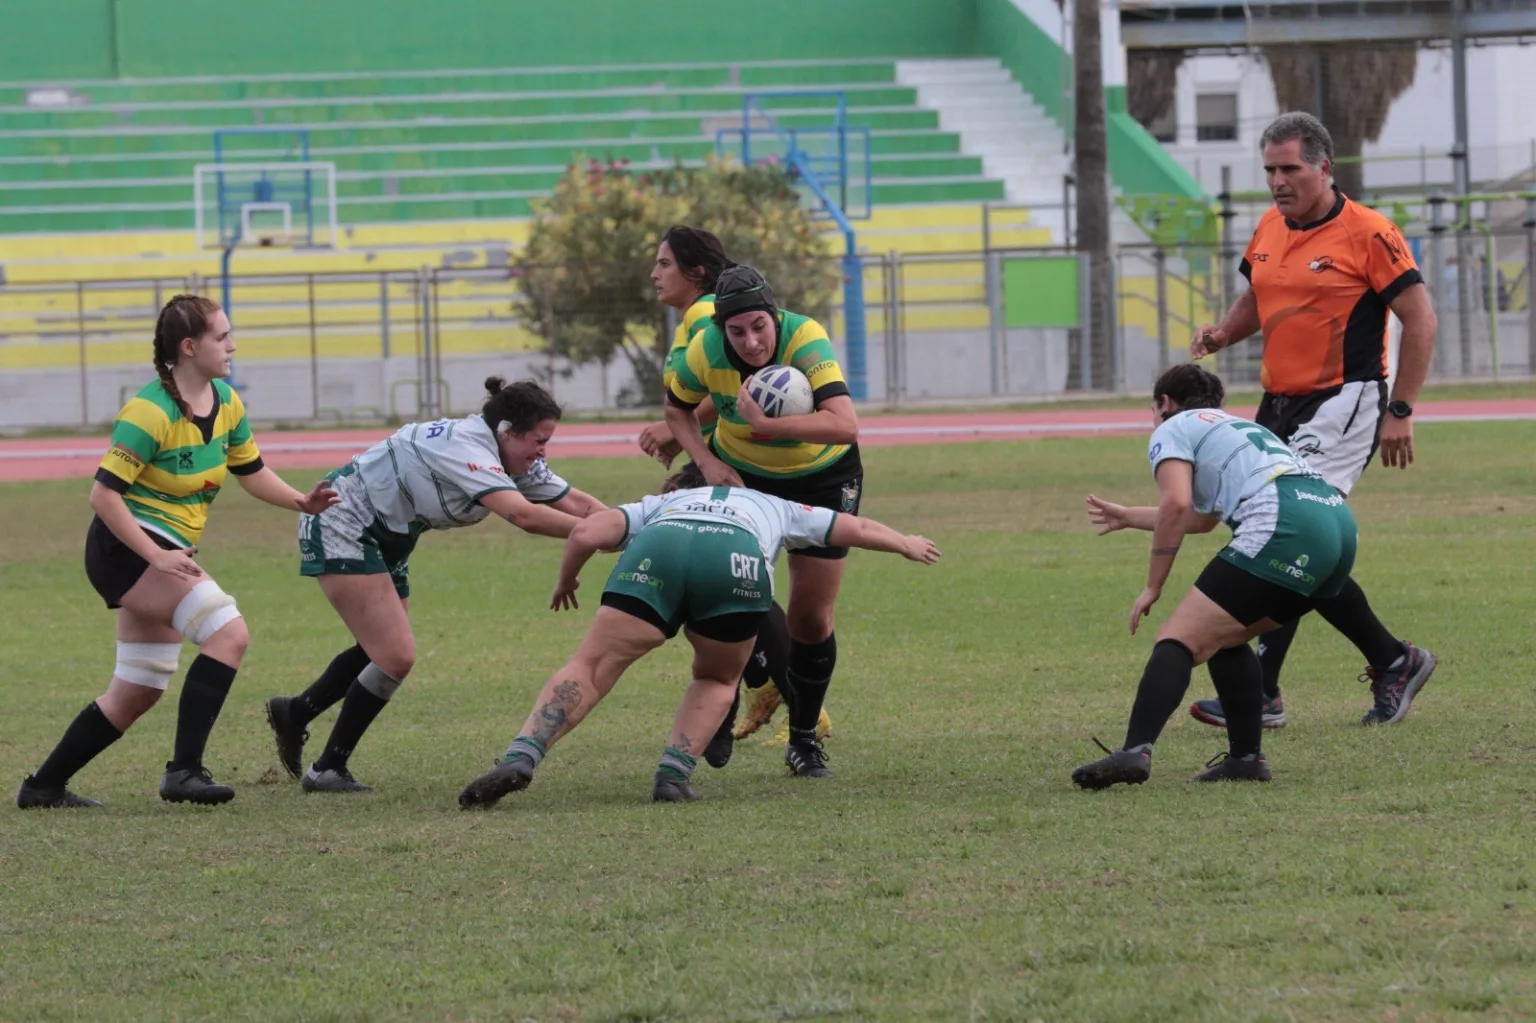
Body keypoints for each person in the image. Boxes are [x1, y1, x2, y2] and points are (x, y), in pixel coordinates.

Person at [457, 461, 939, 809]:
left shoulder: (664, 501)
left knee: (591, 666)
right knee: (715, 678)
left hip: (661, 544)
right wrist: (905, 543)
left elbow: (586, 533)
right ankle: (672, 776)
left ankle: (522, 755)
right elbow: (855, 526)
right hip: (735, 558)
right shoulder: (777, 505)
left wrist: (567, 580)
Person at [17, 295, 340, 809]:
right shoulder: (149, 412)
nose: (233, 345)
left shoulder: (226, 402)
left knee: (139, 686)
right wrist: (155, 556)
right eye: (222, 336)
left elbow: (251, 471)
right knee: (228, 632)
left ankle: (42, 787)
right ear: (189, 347)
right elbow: (103, 496)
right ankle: (184, 772)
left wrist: (301, 501)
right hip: (127, 549)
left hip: (163, 551)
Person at [1188, 111, 1438, 729]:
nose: (1278, 181)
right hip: (1278, 401)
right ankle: (1389, 660)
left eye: (1290, 169)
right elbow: (1259, 293)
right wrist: (1224, 333)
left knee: (1290, 531)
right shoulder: (1270, 224)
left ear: (1324, 168)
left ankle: (1268, 689)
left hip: (1343, 403)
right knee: (1275, 532)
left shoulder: (1369, 232)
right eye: (1270, 170)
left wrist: (1400, 410)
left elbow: (1421, 319)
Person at [1071, 365, 1433, 790]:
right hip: (1335, 524)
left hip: (1286, 523)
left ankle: (1134, 751)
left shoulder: (1173, 427)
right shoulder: (1235, 427)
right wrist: (1129, 516)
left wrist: (1154, 585)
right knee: (1225, 637)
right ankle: (1245, 760)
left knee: (1177, 638)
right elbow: (1202, 519)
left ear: (1165, 403)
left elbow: (1176, 504)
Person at [262, 377, 605, 793]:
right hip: (342, 517)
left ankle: (296, 713)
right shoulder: (467, 448)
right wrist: (597, 534)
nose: (543, 452)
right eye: (539, 440)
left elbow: (580, 505)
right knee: (394, 654)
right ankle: (327, 768)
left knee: (380, 648)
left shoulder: (508, 454)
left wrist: (636, 527)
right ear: (506, 431)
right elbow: (525, 516)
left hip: (388, 531)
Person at [663, 263, 861, 778]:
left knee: (810, 619)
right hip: (745, 476)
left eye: (759, 326)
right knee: (721, 588)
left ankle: (803, 740)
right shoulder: (705, 349)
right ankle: (723, 698)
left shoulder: (805, 337)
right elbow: (676, 409)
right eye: (737, 331)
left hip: (823, 477)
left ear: (775, 316)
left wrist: (767, 424)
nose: (751, 342)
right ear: (721, 329)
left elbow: (844, 425)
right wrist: (706, 463)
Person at [633, 225, 812, 768]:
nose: (654, 273)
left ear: (696, 273)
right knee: (728, 577)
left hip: (732, 462)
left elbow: (727, 388)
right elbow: (695, 392)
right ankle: (755, 687)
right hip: (714, 459)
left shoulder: (710, 314)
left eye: (664, 263)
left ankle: (776, 698)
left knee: (721, 572)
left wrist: (679, 433)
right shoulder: (699, 316)